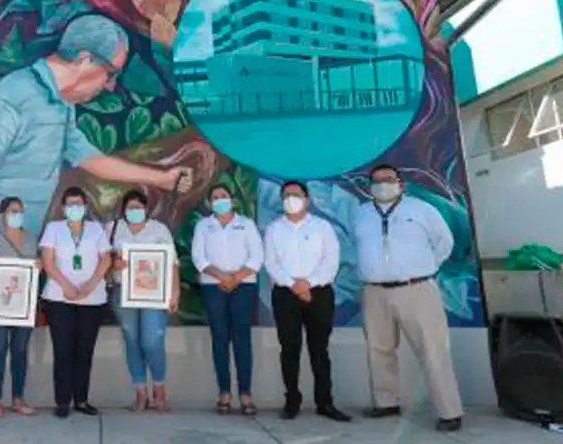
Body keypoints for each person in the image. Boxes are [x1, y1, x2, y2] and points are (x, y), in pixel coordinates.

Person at [0, 14, 193, 242]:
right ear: (84, 59)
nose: (111, 86)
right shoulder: (16, 92)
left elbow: (92, 160)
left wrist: (163, 179)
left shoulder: (61, 105)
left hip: (23, 244)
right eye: (110, 73)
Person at [353, 163, 463, 433]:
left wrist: (423, 270)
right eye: (376, 181)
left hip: (417, 290)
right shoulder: (361, 213)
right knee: (378, 350)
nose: (382, 185)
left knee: (432, 350)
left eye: (388, 179)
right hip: (374, 291)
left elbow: (444, 242)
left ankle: (449, 411)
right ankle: (386, 402)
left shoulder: (421, 209)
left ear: (400, 182)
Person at [264, 180, 350, 422]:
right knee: (289, 349)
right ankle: (292, 400)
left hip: (319, 294)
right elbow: (271, 262)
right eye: (286, 195)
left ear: (307, 199)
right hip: (285, 294)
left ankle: (325, 402)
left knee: (319, 350)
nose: (291, 199)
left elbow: (331, 261)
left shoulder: (322, 227)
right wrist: (294, 285)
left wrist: (308, 283)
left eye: (296, 194)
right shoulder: (274, 229)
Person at [191, 184, 263, 416]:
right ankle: (224, 392)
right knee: (219, 338)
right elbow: (198, 257)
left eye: (224, 196)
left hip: (244, 286)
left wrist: (236, 277)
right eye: (215, 197)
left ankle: (245, 393)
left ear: (232, 200)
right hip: (213, 286)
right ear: (210, 203)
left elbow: (257, 256)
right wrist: (222, 276)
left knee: (242, 338)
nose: (220, 200)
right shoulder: (204, 226)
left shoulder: (246, 224)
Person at [40, 187, 111, 419]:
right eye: (70, 204)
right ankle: (62, 401)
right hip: (59, 299)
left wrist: (90, 286)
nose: (75, 208)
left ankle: (81, 399)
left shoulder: (96, 229)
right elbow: (48, 263)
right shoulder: (54, 229)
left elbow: (106, 259)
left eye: (79, 204)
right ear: (63, 208)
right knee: (63, 352)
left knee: (84, 352)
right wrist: (67, 287)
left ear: (85, 206)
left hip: (93, 300)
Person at [108, 190, 180, 412]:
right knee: (132, 340)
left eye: (139, 207)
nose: (135, 211)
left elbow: (173, 263)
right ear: (123, 209)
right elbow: (103, 260)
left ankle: (159, 386)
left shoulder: (159, 230)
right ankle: (140, 392)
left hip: (154, 294)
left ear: (147, 209)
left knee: (152, 341)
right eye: (130, 207)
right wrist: (114, 265)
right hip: (123, 292)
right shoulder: (112, 228)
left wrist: (174, 293)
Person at [0, 196, 38, 419]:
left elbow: (34, 271)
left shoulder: (31, 239)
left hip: (24, 307)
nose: (17, 215)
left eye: (20, 211)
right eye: (12, 211)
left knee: (20, 352)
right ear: (3, 214)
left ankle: (18, 398)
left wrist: (38, 266)